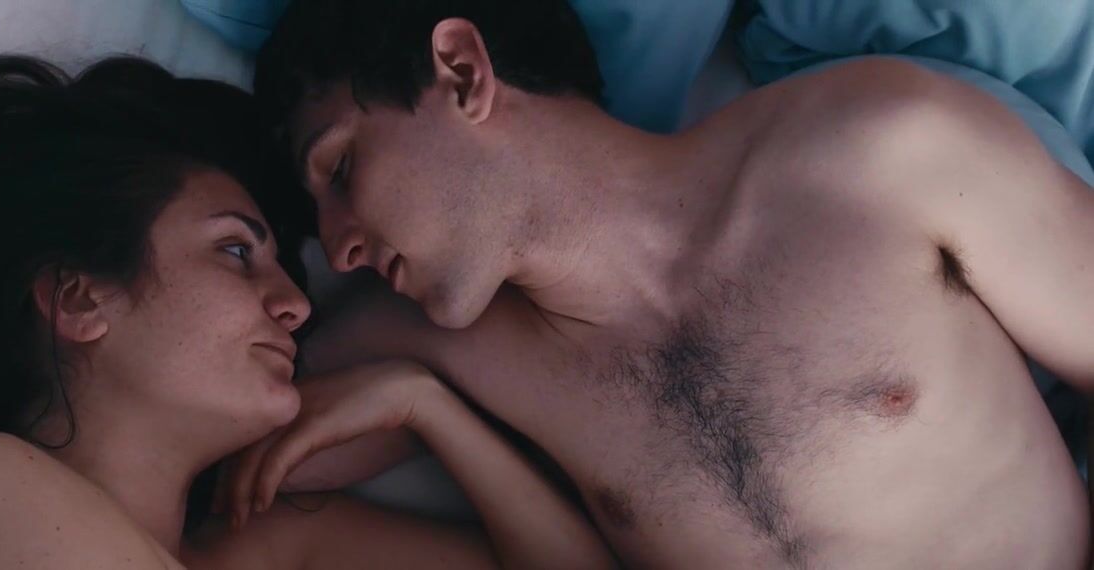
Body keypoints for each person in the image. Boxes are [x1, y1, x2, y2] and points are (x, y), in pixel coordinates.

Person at [252, 0, 1094, 567]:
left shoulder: (875, 150)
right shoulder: (445, 348)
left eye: (341, 168)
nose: (340, 247)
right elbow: (224, 463)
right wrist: (425, 408)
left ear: (463, 72)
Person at [0, 55, 616, 569]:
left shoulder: (273, 546)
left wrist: (429, 407)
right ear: (80, 298)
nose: (295, 304)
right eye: (234, 251)